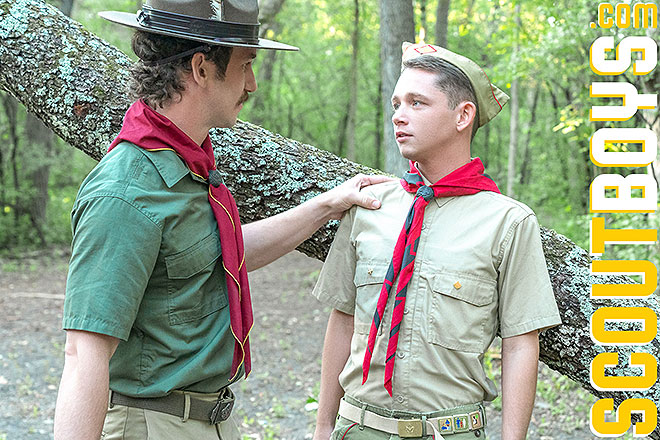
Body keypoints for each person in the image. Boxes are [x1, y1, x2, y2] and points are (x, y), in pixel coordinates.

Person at [53, 1, 390, 439]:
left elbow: (225, 252)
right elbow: (84, 354)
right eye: (245, 65)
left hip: (207, 421)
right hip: (151, 425)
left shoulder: (187, 163)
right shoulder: (126, 191)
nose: (252, 83)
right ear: (201, 68)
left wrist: (328, 204)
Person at [311, 42, 562, 440]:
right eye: (396, 104)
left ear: (463, 115)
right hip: (359, 428)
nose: (399, 116)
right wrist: (324, 426)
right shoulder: (368, 205)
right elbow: (342, 318)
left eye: (417, 103)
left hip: (450, 431)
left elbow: (520, 344)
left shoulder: (508, 223)